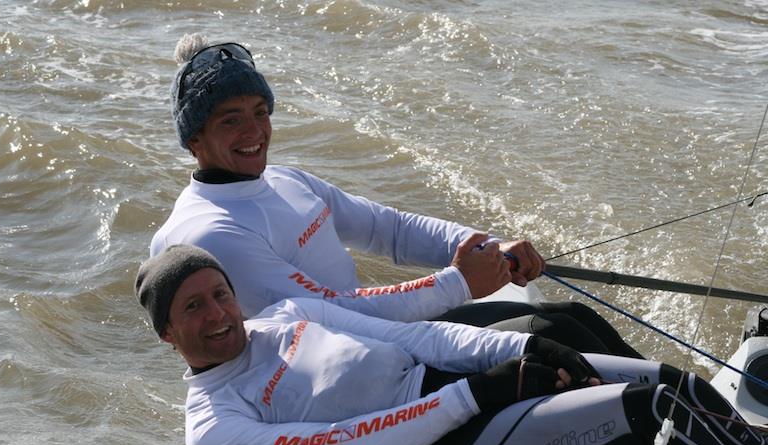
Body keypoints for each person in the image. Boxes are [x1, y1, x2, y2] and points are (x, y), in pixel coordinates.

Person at [135, 244, 768, 445]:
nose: (217, 313)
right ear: (168, 334)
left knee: (675, 383)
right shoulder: (215, 434)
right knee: (650, 407)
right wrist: (477, 393)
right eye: (193, 308)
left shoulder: (287, 316)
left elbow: (422, 339)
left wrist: (524, 347)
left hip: (451, 392)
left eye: (219, 294)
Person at [149, 33, 642, 358]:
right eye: (230, 119)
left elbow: (391, 230)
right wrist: (458, 283)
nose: (255, 131)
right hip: (353, 362)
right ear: (194, 138)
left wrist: (490, 247)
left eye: (260, 111)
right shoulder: (214, 230)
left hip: (380, 331)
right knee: (551, 335)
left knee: (572, 317)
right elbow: (331, 311)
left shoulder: (284, 180)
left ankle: (692, 421)